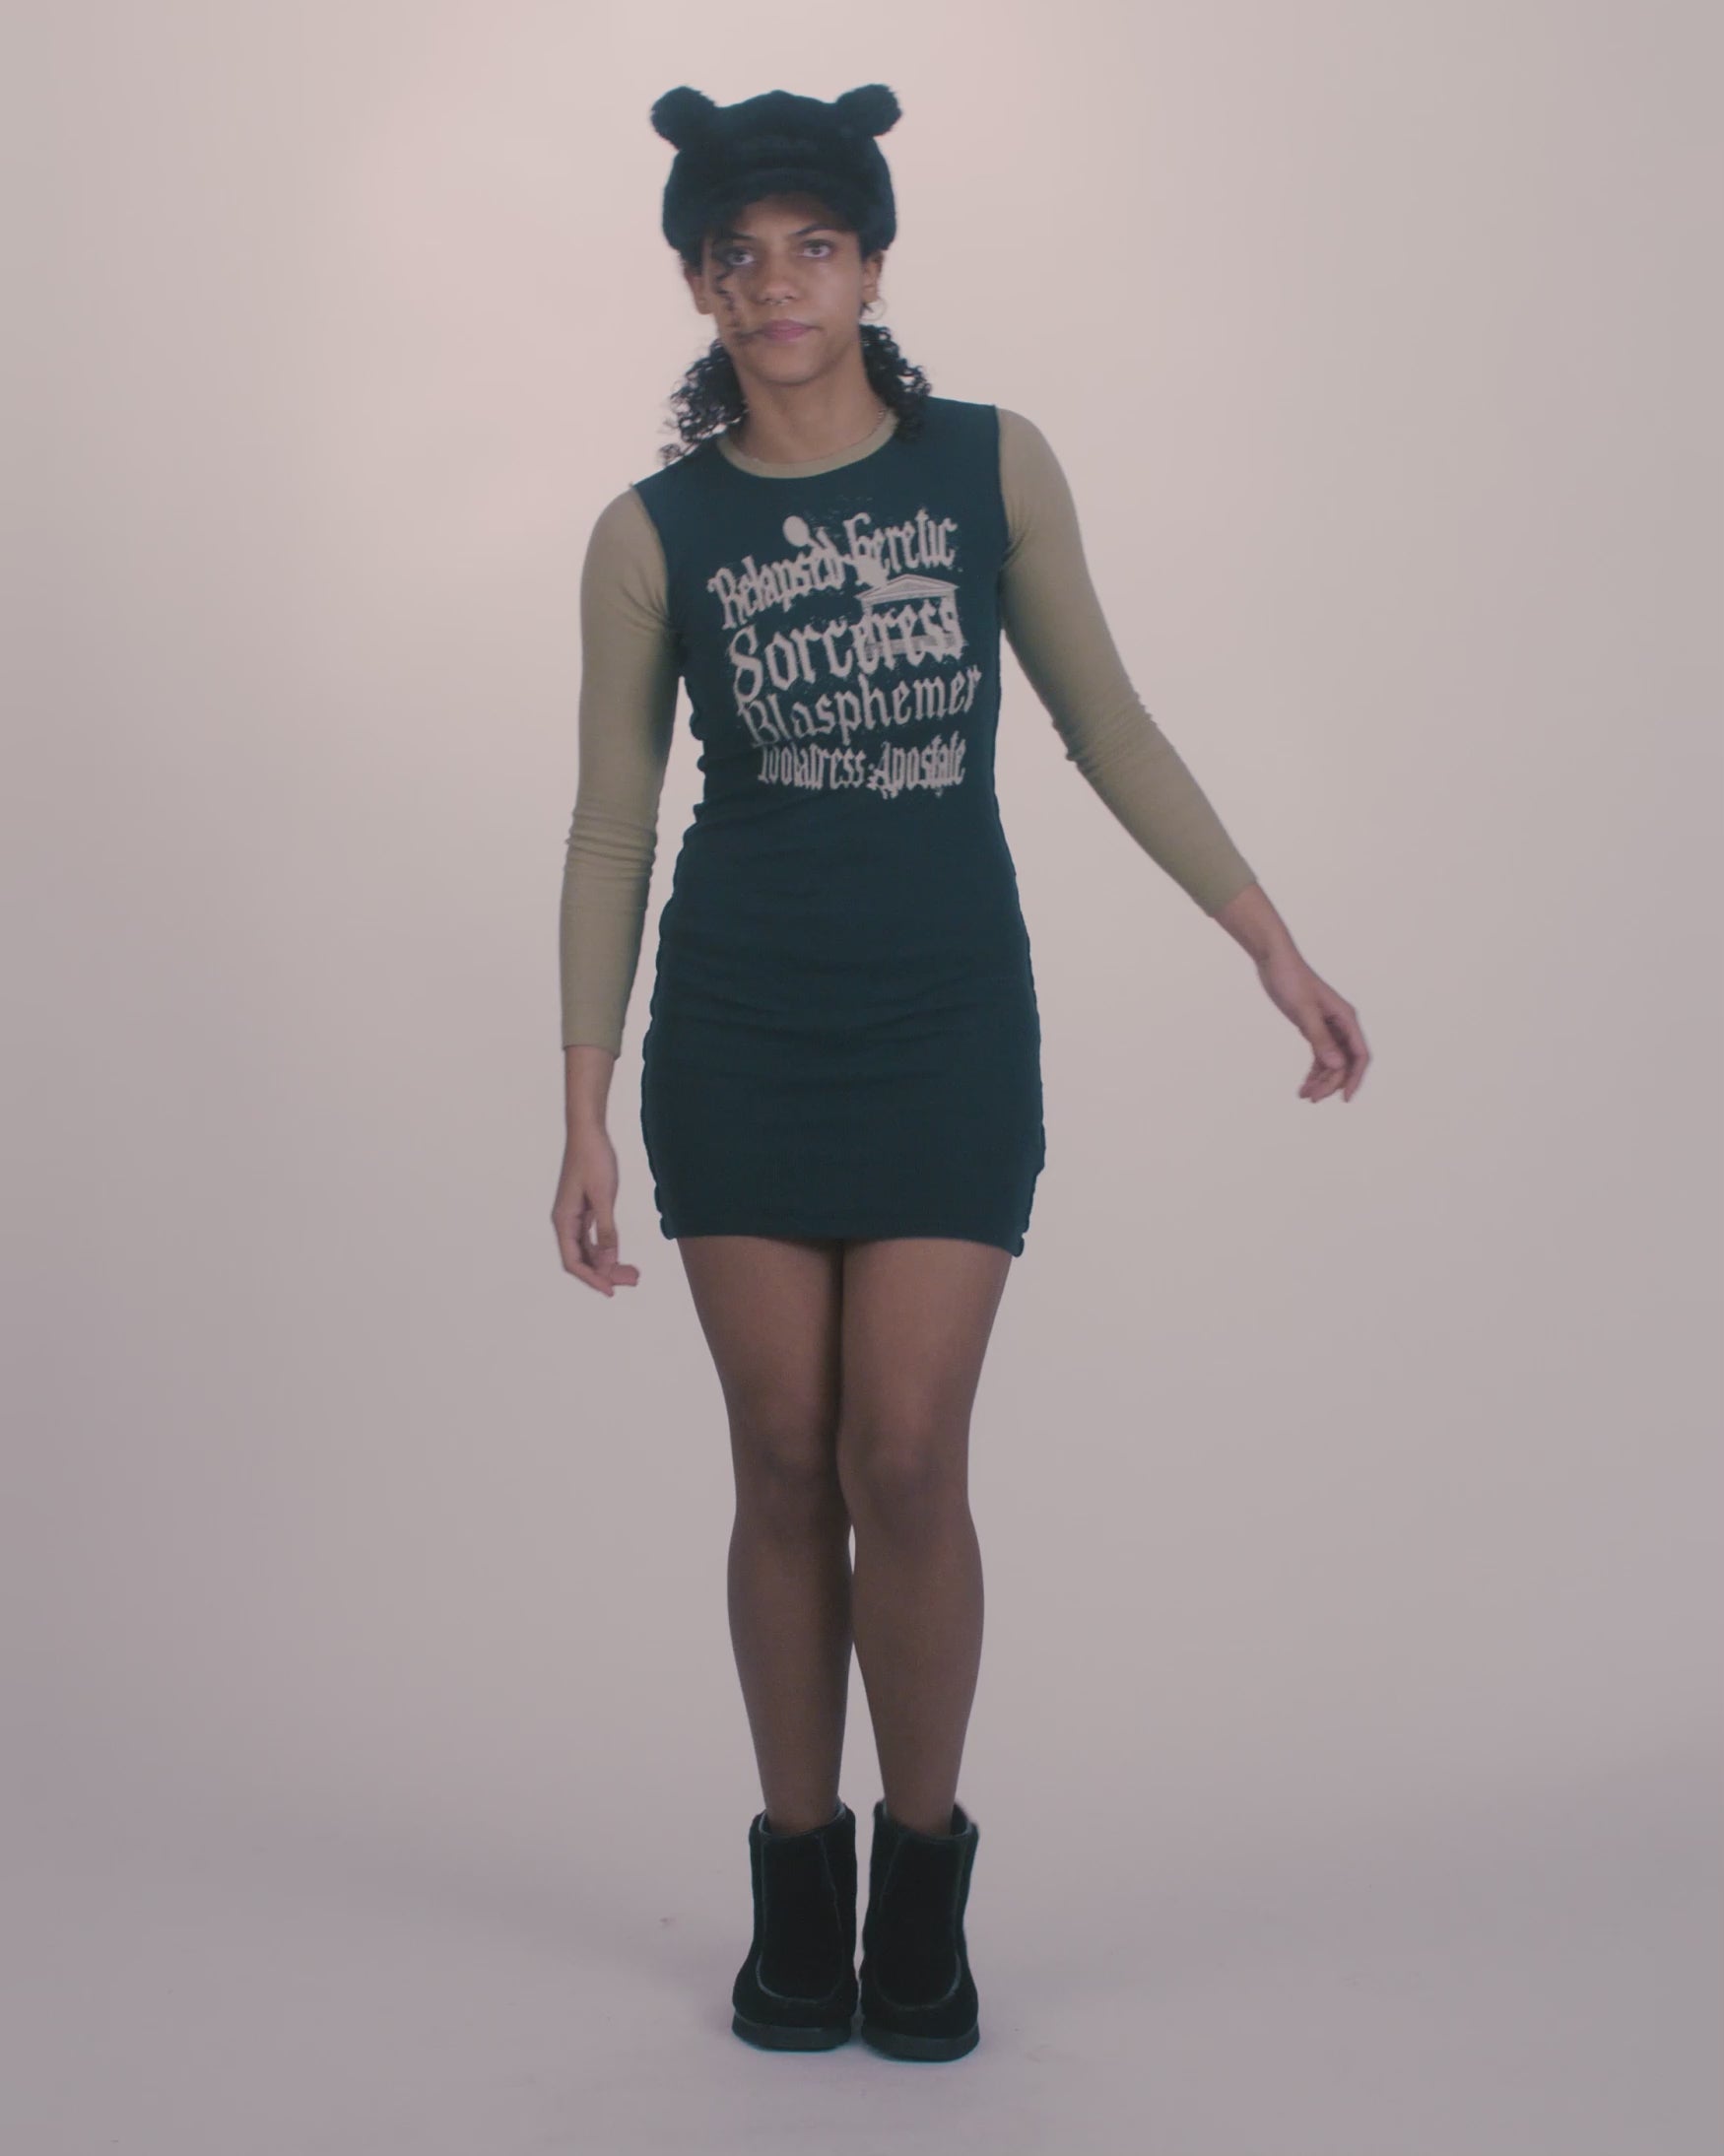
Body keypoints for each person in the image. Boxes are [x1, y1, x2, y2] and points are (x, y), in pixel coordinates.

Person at [552, 83, 1369, 2063]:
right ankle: (798, 1884)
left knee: (903, 1452)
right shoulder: (652, 533)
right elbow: (611, 823)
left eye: (812, 246)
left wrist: (1265, 940)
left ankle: (920, 1885)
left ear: (872, 264)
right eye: (736, 255)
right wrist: (578, 1103)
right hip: (738, 1033)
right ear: (696, 285)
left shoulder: (987, 469)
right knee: (778, 1454)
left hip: (942, 1027)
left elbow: (1107, 724)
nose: (776, 284)